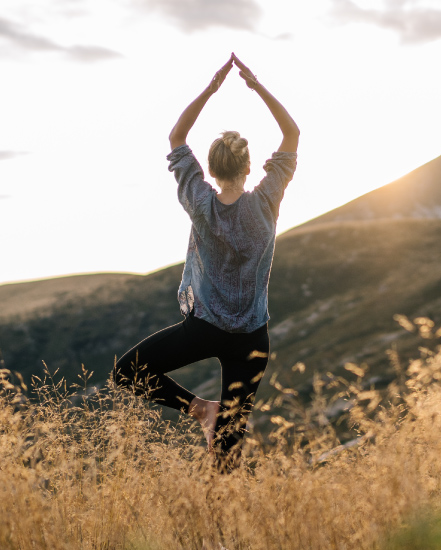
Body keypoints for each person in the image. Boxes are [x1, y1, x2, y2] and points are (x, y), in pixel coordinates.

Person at [112, 53, 299, 473]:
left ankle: (199, 409)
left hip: (204, 328)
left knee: (127, 372)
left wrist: (212, 89)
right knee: (226, 460)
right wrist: (256, 85)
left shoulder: (199, 202)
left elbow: (177, 134)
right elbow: (292, 132)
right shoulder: (267, 201)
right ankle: (222, 531)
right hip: (252, 338)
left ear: (210, 170)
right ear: (251, 168)